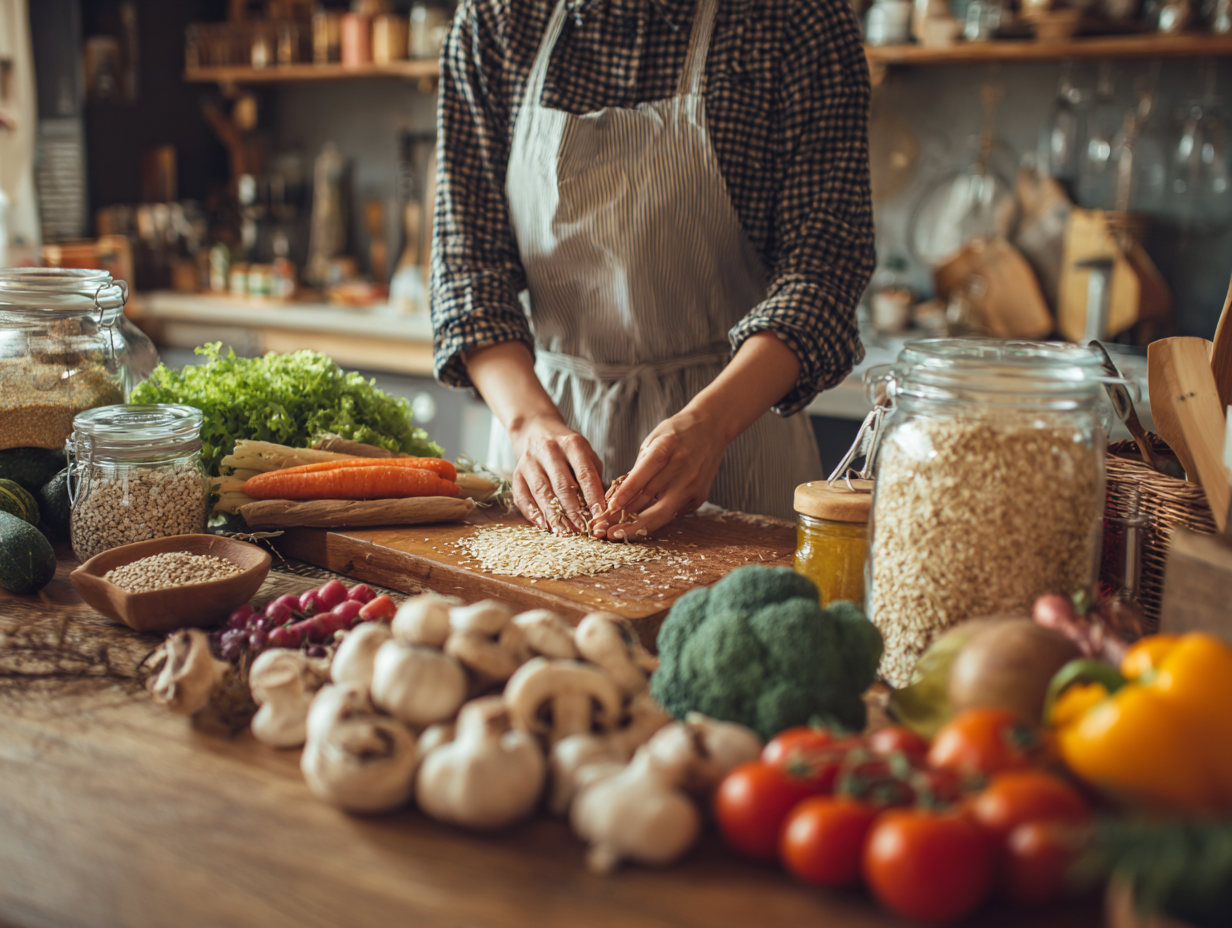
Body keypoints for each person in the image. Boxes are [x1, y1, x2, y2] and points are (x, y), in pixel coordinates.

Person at [431, 0, 874, 540]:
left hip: (737, 433)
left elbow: (824, 270)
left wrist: (711, 424)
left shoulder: (796, 18)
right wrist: (529, 424)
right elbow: (469, 272)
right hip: (545, 442)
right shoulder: (497, 19)